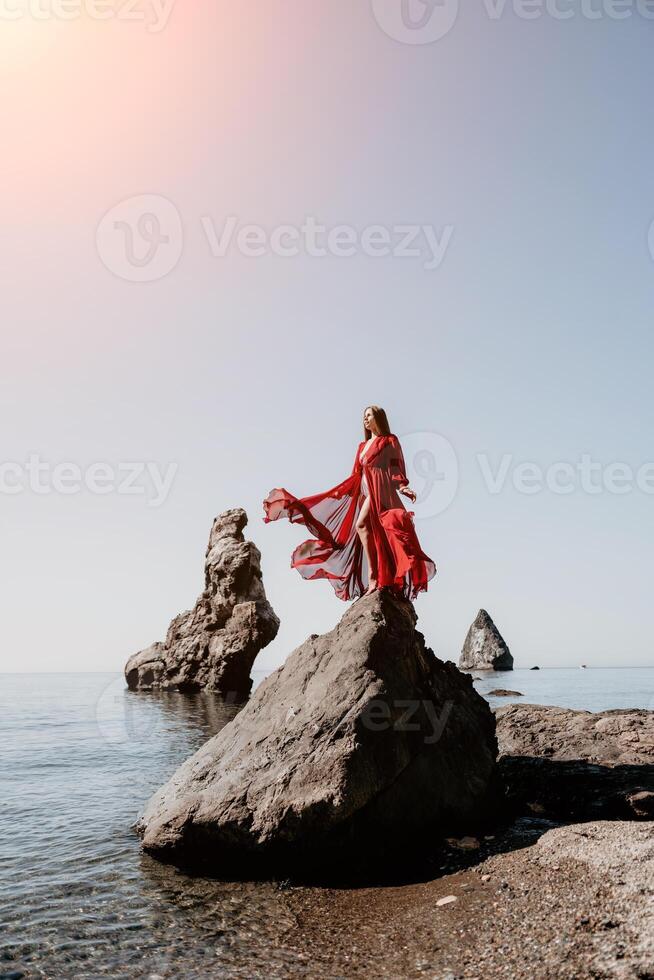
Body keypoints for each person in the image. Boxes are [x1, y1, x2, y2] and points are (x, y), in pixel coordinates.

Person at [262, 405, 437, 602]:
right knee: (372, 533)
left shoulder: (389, 440)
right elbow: (356, 474)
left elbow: (396, 465)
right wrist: (340, 494)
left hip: (381, 491)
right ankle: (380, 577)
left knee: (361, 526)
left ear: (378, 418)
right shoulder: (362, 447)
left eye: (369, 415)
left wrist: (403, 487)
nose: (365, 419)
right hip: (364, 492)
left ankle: (374, 578)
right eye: (364, 416)